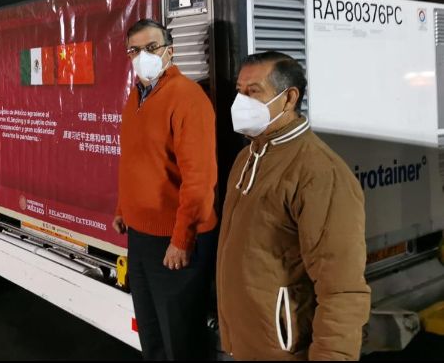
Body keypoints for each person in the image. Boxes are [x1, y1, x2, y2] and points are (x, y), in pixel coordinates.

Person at [216, 51, 370, 360]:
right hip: (246, 344)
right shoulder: (247, 157)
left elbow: (342, 289)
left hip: (283, 351)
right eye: (239, 91)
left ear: (289, 98)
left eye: (253, 91)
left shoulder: (319, 172)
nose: (241, 102)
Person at [113, 19, 218, 360]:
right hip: (141, 238)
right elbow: (135, 161)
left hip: (174, 240)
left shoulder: (187, 97)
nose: (143, 55)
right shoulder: (136, 98)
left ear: (169, 51)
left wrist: (182, 238)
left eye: (151, 47)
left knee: (181, 339)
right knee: (152, 333)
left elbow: (199, 178)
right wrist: (122, 209)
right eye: (135, 50)